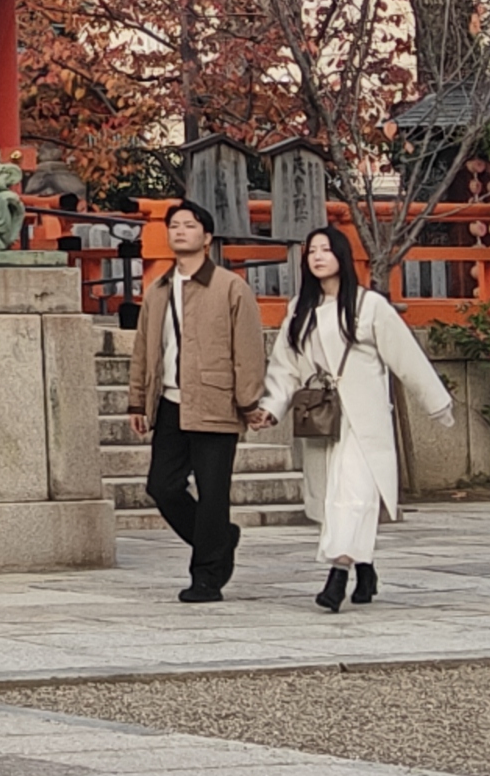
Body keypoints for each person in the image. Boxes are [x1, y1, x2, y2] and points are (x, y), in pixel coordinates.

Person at [257, 228, 453, 613]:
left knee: (355, 493)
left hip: (364, 418)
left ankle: (337, 576)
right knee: (335, 497)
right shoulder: (300, 309)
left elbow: (406, 356)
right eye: (311, 251)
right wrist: (271, 405)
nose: (317, 257)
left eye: (326, 250)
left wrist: (436, 403)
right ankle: (366, 567)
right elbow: (286, 368)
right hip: (323, 415)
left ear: (342, 256)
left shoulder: (369, 306)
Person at [137, 200, 266, 605]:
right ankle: (220, 540)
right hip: (170, 401)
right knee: (162, 486)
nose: (179, 231)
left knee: (213, 493)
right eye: (173, 225)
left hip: (216, 401)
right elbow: (144, 348)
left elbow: (247, 348)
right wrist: (137, 401)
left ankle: (207, 576)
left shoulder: (230, 287)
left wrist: (249, 401)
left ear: (206, 237)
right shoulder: (158, 289)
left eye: (189, 225)